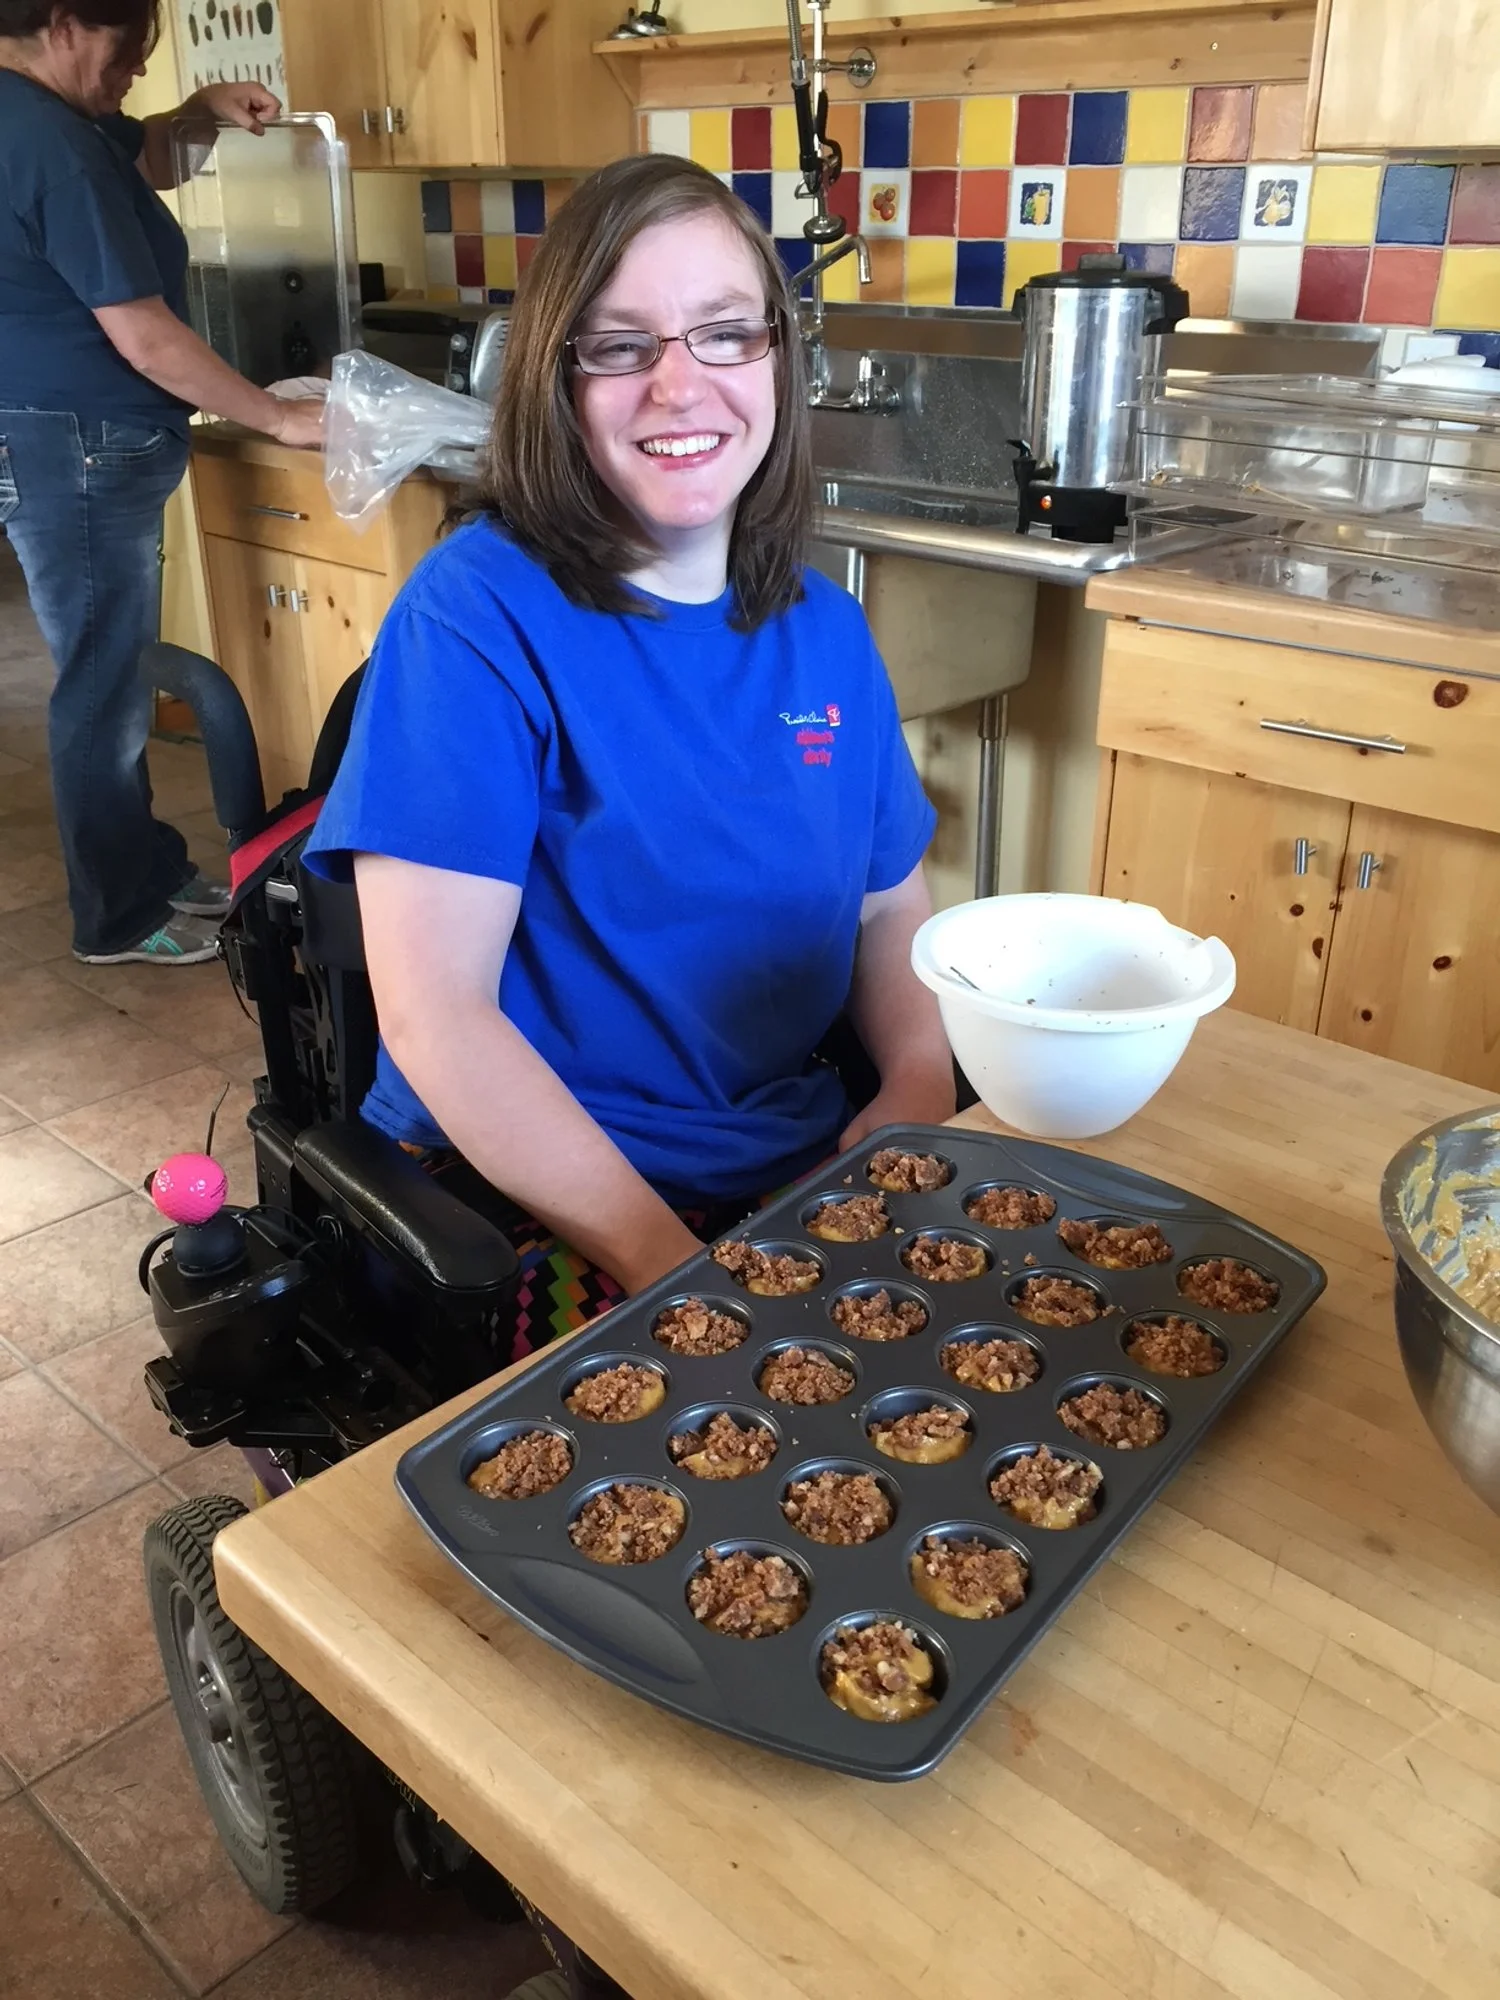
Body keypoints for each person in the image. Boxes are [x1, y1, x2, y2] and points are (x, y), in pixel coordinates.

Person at [305, 153, 956, 1350]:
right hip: (535, 1195)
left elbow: (887, 908)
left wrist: (915, 1082)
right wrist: (679, 1273)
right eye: (620, 345)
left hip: (787, 1162)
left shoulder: (823, 624)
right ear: (559, 377)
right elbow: (441, 1018)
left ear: (775, 358)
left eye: (723, 333)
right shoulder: (477, 616)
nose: (679, 384)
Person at [0, 0, 325, 966]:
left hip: (54, 439)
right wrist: (274, 415)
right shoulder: (47, 139)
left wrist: (199, 112)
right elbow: (141, 333)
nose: (140, 62)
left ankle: (142, 869)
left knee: (107, 672)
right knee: (103, 688)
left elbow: (136, 167)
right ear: (63, 22)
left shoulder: (45, 120)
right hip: (81, 446)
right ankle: (120, 915)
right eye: (129, 43)